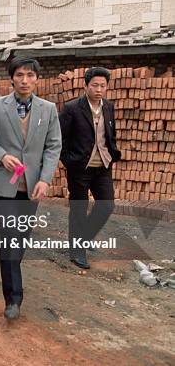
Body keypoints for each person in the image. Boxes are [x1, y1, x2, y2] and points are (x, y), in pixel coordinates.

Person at [0, 56, 61, 320]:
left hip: (32, 186)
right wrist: (1, 156)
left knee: (21, 240)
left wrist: (45, 179)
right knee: (11, 236)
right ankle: (13, 298)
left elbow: (53, 146)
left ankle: (12, 273)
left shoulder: (48, 110)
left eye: (30, 75)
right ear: (11, 78)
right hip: (5, 184)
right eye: (20, 75)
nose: (25, 81)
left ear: (36, 79)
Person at [59, 67, 121, 269]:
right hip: (80, 167)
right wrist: (69, 161)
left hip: (102, 165)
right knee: (79, 209)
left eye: (103, 85)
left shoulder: (108, 107)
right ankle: (77, 251)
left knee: (107, 204)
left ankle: (83, 238)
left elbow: (109, 134)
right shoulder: (72, 108)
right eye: (95, 85)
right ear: (85, 86)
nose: (99, 89)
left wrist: (112, 154)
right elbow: (61, 139)